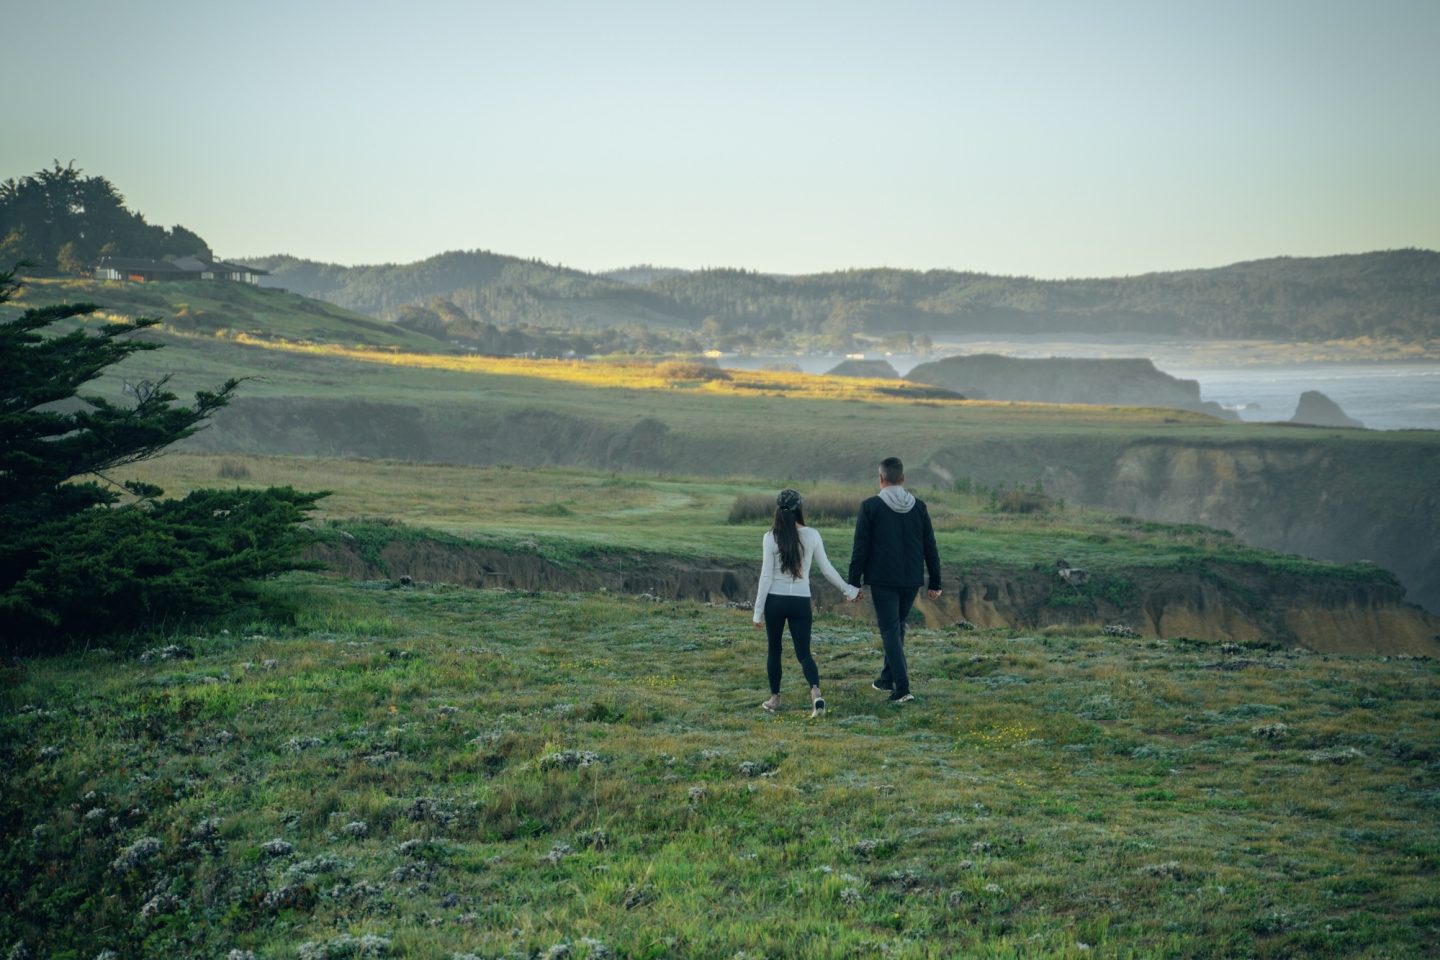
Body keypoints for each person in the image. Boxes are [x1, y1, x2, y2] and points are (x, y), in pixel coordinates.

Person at [752, 488, 860, 717]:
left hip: (775, 602)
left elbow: (766, 576)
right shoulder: (812, 535)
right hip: (800, 601)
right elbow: (827, 570)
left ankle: (774, 699)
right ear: (799, 508)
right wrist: (849, 590)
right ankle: (816, 693)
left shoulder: (770, 537)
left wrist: (757, 612)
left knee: (775, 650)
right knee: (804, 653)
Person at [847, 457, 941, 704]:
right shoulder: (919, 507)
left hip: (883, 580)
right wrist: (935, 582)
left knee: (890, 629)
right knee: (897, 626)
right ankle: (887, 678)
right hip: (911, 580)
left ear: (881, 479)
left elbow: (860, 549)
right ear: (903, 478)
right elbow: (930, 546)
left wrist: (853, 584)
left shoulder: (870, 507)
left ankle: (902, 688)